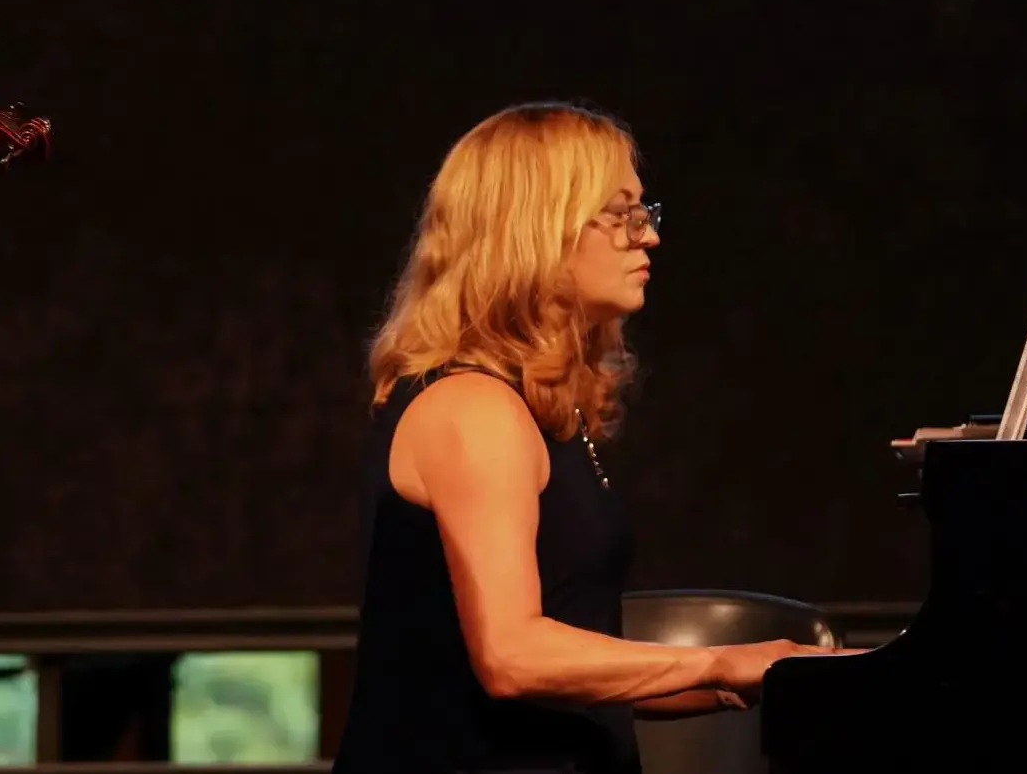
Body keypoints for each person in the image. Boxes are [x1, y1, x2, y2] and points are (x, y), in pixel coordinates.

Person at [331, 102, 848, 774]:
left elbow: (575, 661)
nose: (648, 237)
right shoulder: (472, 407)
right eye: (622, 214)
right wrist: (721, 659)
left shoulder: (541, 410)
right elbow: (512, 657)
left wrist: (766, 676)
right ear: (539, 230)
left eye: (644, 213)